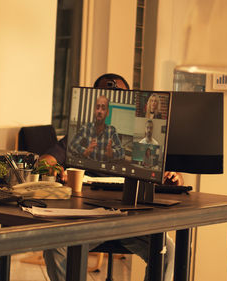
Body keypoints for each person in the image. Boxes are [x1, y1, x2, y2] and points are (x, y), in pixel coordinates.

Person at [40, 73, 181, 281]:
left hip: (132, 218)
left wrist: (174, 180)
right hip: (88, 218)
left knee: (169, 252)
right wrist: (52, 169)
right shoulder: (81, 133)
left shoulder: (143, 136)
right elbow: (46, 160)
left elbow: (173, 177)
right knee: (55, 247)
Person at [68, 95, 124, 161]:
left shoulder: (111, 131)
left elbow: (122, 153)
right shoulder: (86, 128)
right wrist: (85, 151)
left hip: (103, 169)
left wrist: (112, 153)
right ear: (94, 110)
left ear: (107, 113)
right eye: (97, 108)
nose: (99, 111)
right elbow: (71, 145)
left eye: (103, 109)